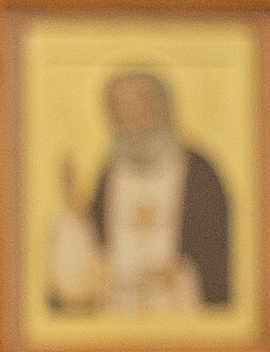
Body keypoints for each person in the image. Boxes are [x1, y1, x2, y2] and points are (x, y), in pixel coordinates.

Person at [47, 69, 231, 315]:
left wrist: (181, 273)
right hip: (118, 311)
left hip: (180, 312)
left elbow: (217, 256)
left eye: (139, 105)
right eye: (119, 109)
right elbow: (91, 254)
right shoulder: (111, 173)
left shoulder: (199, 173)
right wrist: (72, 207)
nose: (129, 117)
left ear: (163, 108)